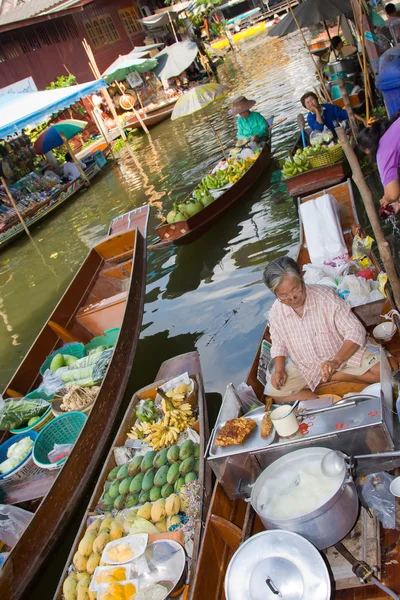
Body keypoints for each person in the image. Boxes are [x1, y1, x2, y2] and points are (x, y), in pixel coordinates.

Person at [262, 256, 396, 403]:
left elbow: (355, 330)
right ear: (275, 293)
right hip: (305, 364)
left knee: (387, 369)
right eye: (284, 296)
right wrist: (280, 370)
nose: (293, 298)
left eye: (296, 290)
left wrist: (336, 361)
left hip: (342, 353)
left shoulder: (325, 296)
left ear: (301, 277)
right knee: (274, 392)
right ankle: (322, 402)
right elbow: (279, 344)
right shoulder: (276, 311)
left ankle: (335, 376)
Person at [358, 113, 400, 213]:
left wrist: (387, 199)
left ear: (367, 149)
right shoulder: (392, 130)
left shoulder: (382, 153)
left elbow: (393, 194)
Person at [301, 91, 366, 137]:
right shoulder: (310, 118)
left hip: (339, 135)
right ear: (306, 107)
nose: (311, 103)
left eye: (312, 100)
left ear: (317, 100)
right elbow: (319, 128)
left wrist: (363, 120)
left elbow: (345, 113)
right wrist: (317, 111)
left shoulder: (329, 107)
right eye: (308, 103)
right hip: (325, 141)